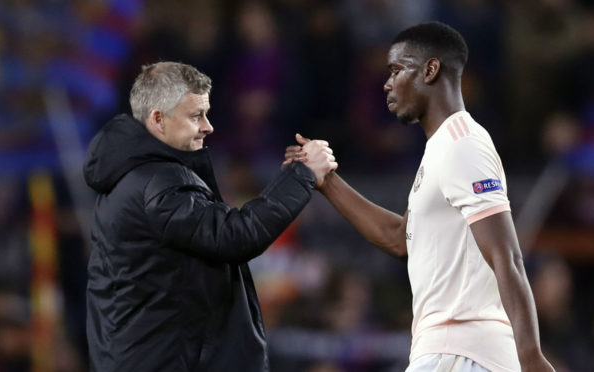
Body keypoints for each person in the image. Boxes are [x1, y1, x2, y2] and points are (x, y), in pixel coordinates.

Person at [285, 22, 554, 372]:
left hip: (461, 352)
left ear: (430, 70)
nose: (387, 83)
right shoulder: (441, 149)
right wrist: (328, 182)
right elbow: (399, 239)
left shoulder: (462, 144)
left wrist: (531, 357)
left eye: (397, 70)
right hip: (451, 352)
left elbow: (507, 255)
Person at [82, 61, 337, 371]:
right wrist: (303, 176)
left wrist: (288, 182)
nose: (208, 126)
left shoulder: (132, 175)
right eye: (195, 116)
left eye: (206, 113)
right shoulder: (158, 182)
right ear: (158, 119)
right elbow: (234, 236)